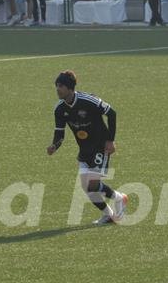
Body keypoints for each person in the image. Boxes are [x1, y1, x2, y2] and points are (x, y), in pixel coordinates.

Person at [47, 70, 128, 225]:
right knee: (87, 188)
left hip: (100, 146)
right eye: (56, 86)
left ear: (70, 88)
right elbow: (60, 134)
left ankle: (120, 198)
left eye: (61, 86)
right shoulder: (59, 109)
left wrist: (110, 140)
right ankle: (109, 215)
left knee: (93, 185)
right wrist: (54, 146)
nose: (57, 89)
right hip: (84, 149)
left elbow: (112, 113)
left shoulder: (88, 101)